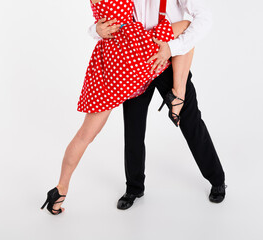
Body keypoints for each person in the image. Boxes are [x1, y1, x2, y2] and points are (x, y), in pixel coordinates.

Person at [41, 0, 194, 215]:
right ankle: (178, 95)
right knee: (187, 25)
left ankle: (60, 189)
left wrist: (96, 28)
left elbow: (100, 22)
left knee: (84, 135)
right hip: (133, 49)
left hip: (108, 60)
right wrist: (96, 29)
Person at [89, 0, 227, 210]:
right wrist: (96, 29)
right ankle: (134, 187)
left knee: (191, 122)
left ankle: (217, 179)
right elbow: (109, 15)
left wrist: (173, 47)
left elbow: (204, 18)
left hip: (169, 60)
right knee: (133, 128)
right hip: (135, 62)